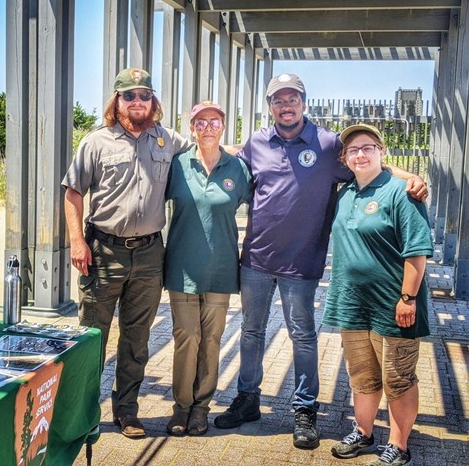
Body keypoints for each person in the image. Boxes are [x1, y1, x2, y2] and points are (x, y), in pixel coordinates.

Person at [213, 73, 428, 450]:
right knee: (251, 332)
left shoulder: (328, 144)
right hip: (257, 260)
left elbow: (369, 165)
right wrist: (200, 141)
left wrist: (412, 177)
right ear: (270, 107)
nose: (286, 105)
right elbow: (230, 155)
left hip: (303, 262)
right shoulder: (257, 142)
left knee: (302, 336)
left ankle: (304, 409)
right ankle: (247, 400)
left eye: (292, 98)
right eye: (278, 100)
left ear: (304, 102)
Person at [61, 67, 190, 439]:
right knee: (91, 339)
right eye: (129, 95)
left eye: (144, 95)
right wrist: (77, 241)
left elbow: (206, 148)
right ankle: (82, 416)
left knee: (136, 340)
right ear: (116, 101)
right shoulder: (96, 142)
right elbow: (73, 192)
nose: (137, 102)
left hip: (150, 254)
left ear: (153, 102)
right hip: (103, 250)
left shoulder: (168, 140)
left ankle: (127, 412)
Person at [324, 124, 432, 466]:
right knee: (362, 375)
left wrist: (408, 298)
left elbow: (416, 251)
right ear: (344, 158)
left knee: (397, 378)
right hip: (352, 304)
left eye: (368, 147)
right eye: (353, 150)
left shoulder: (402, 192)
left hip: (393, 306)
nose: (360, 154)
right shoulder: (344, 194)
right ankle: (364, 432)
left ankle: (399, 445)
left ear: (381, 152)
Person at [164, 101, 252, 437]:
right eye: (201, 122)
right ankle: (181, 406)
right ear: (192, 128)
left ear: (224, 126)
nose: (208, 127)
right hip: (182, 266)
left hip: (221, 267)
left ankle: (201, 408)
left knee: (211, 340)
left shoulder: (237, 169)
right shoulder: (178, 165)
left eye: (215, 121)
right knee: (187, 337)